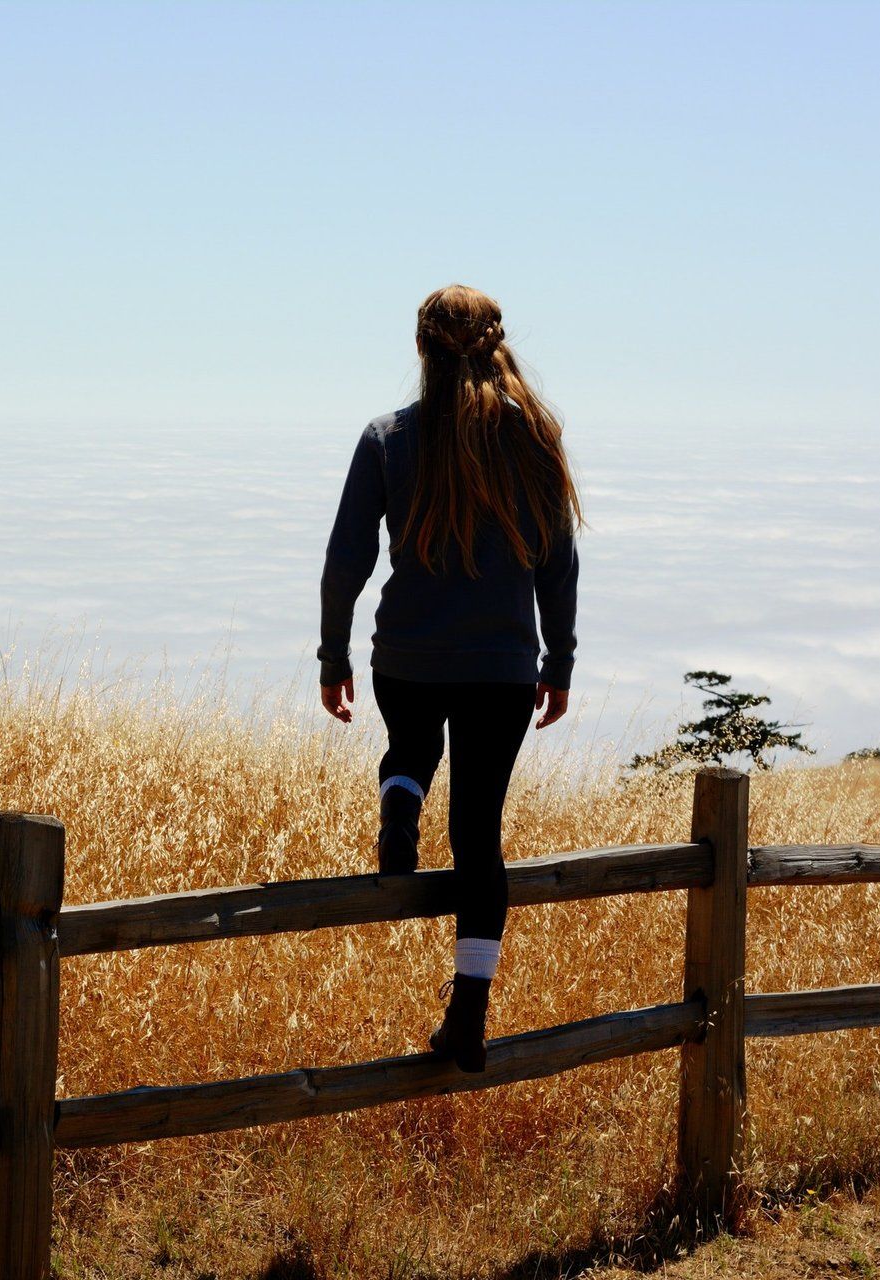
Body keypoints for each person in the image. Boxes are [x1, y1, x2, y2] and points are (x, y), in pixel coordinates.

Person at [316, 283, 583, 1072]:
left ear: (422, 349)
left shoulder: (387, 437)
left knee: (408, 747)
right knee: (478, 836)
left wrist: (333, 658)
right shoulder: (534, 435)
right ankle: (467, 1016)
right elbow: (559, 564)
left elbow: (345, 562)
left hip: (406, 656)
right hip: (502, 667)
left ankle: (399, 802)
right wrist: (558, 661)